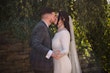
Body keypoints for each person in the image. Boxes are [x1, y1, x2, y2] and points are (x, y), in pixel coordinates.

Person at [30, 7, 60, 73]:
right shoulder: (41, 27)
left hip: (43, 65)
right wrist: (51, 53)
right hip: (41, 66)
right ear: (48, 15)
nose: (55, 17)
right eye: (54, 15)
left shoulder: (44, 27)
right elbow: (35, 43)